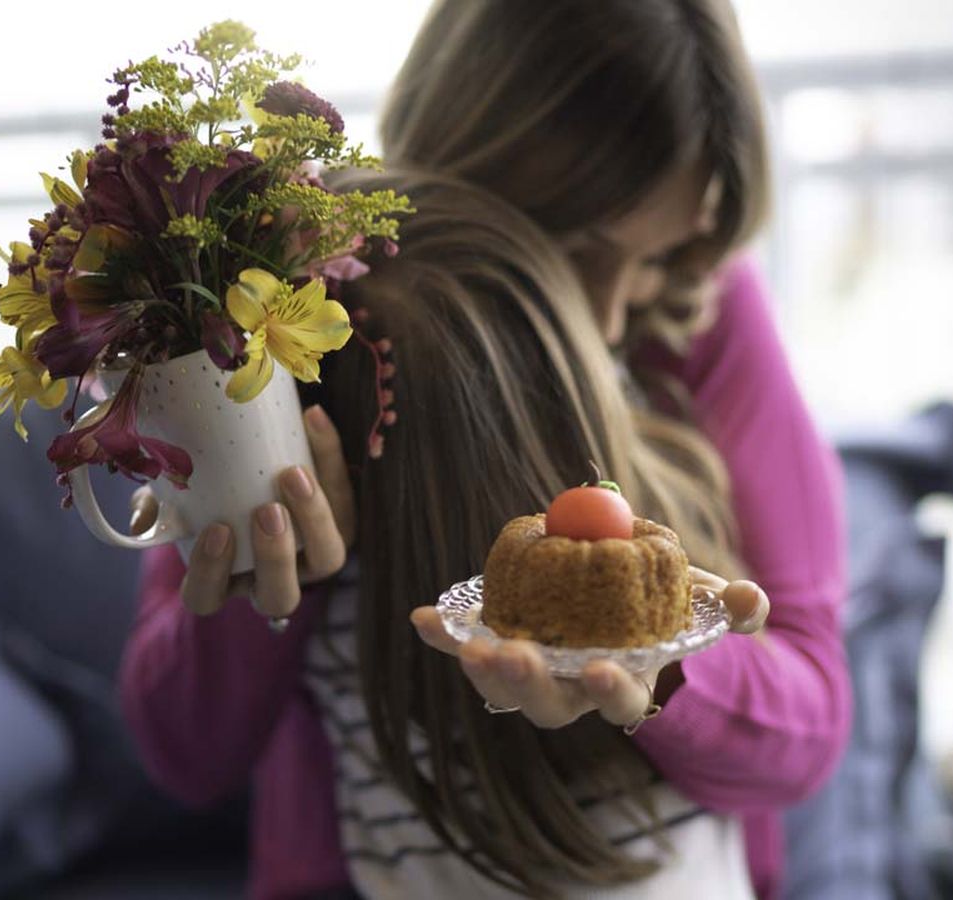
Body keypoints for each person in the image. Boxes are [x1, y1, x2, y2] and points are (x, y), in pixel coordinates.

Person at [122, 1, 849, 897]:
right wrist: (261, 575)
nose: (618, 315)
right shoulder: (289, 326)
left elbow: (810, 719)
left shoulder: (697, 308)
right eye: (578, 247)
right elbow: (183, 754)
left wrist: (654, 663)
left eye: (662, 256)